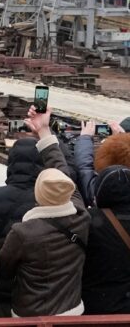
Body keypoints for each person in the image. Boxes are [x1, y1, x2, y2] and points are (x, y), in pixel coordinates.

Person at [0, 106, 89, 317]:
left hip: (29, 313)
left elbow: (3, 270)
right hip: (71, 311)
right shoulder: (81, 215)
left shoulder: (23, 233)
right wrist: (44, 131)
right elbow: (63, 172)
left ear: (38, 195)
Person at [77, 122, 130, 314]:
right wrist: (123, 139)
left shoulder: (89, 218)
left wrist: (84, 139)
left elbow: (83, 167)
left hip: (97, 306)